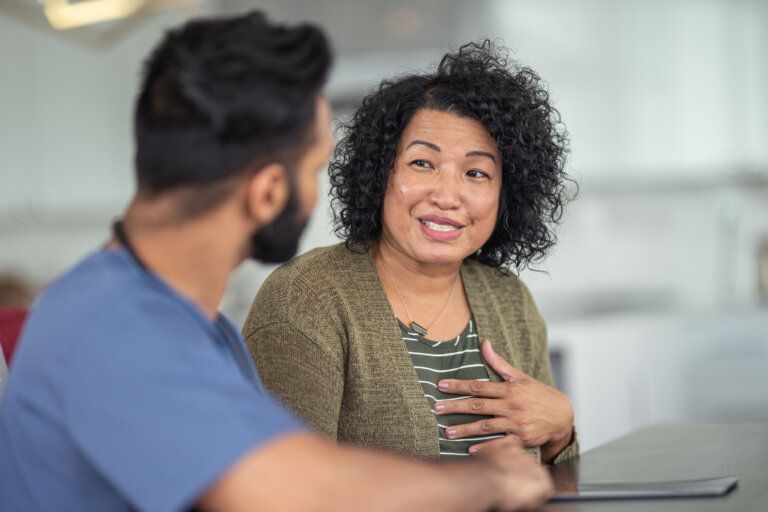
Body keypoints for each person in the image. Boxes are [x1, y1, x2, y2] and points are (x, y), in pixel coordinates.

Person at [0, 12, 553, 512]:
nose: (319, 194)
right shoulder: (116, 329)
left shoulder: (195, 328)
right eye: (314, 169)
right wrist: (486, 482)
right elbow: (288, 492)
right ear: (267, 192)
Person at [244, 40, 578, 463]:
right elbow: (285, 486)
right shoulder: (305, 299)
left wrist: (560, 432)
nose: (447, 195)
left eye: (476, 173)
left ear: (505, 195)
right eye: (423, 163)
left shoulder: (509, 299)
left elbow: (553, 482)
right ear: (380, 171)